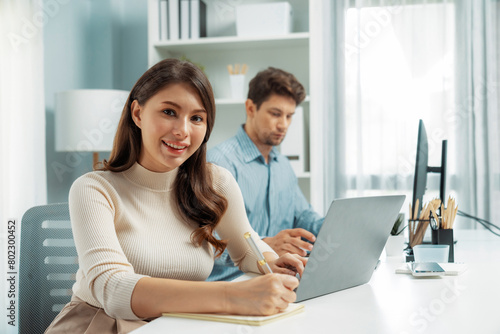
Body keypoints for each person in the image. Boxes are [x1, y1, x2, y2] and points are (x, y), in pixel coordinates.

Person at [45, 59, 307, 334]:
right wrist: (232, 297)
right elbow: (113, 289)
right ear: (137, 113)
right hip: (101, 325)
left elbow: (247, 247)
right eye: (169, 112)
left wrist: (273, 263)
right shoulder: (94, 189)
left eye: (197, 118)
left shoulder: (215, 183)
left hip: (176, 325)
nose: (182, 131)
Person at [207, 67, 324, 282]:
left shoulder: (283, 166)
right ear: (251, 108)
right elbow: (205, 242)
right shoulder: (219, 163)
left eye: (289, 116)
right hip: (230, 284)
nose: (284, 125)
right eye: (275, 114)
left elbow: (303, 216)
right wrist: (265, 244)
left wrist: (336, 228)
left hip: (277, 279)